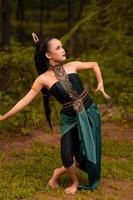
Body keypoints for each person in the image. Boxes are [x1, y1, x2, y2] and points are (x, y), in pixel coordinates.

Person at [0, 33, 111, 195]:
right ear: (48, 54)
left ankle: (61, 174)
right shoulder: (43, 79)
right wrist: (3, 117)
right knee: (66, 155)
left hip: (88, 112)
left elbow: (94, 64)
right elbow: (24, 100)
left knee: (86, 150)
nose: (63, 50)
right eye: (58, 48)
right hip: (70, 118)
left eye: (62, 46)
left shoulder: (72, 66)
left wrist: (100, 83)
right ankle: (74, 180)